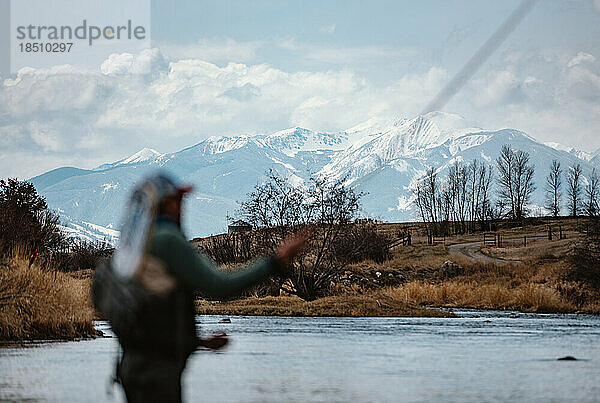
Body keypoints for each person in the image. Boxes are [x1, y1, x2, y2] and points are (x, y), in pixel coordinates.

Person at [104, 173, 307, 403]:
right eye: (178, 201)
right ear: (163, 204)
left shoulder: (135, 246)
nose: (182, 208)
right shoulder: (167, 239)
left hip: (133, 368)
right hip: (158, 374)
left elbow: (147, 321)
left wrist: (197, 341)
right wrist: (275, 262)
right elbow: (220, 286)